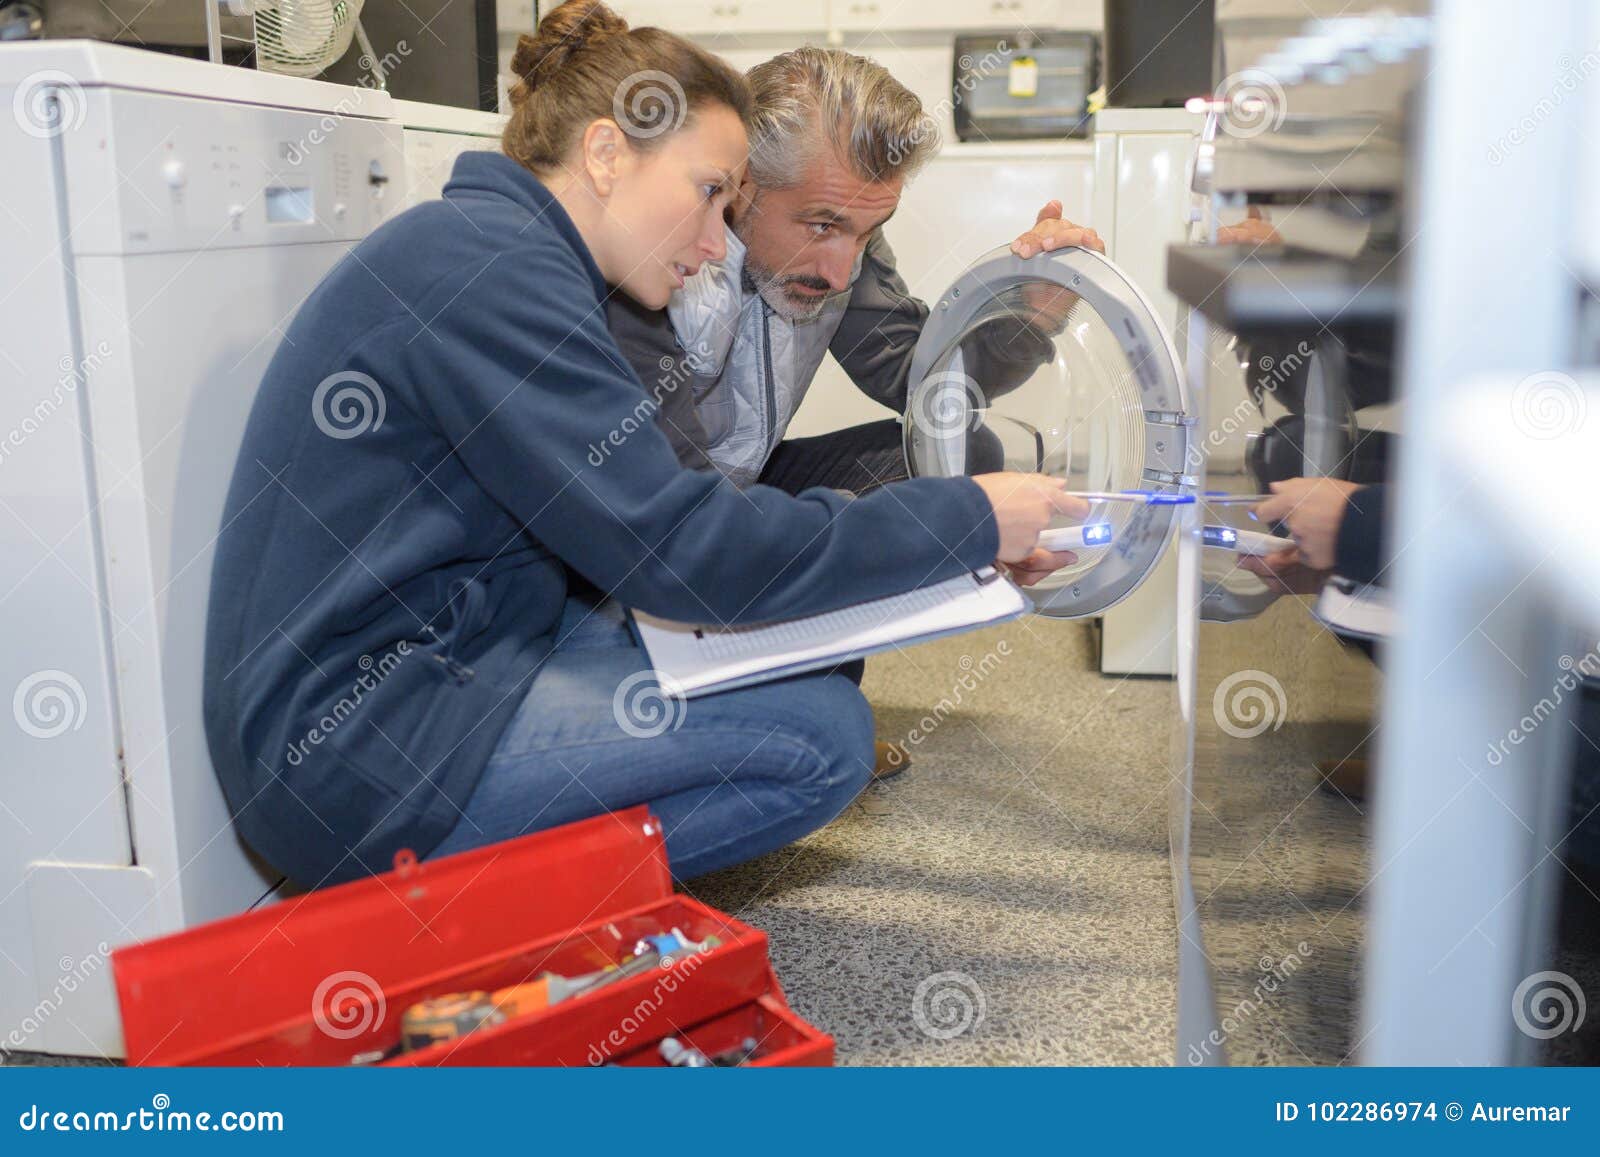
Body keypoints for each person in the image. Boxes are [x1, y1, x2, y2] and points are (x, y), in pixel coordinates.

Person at [202, 0, 1086, 890]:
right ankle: (457, 911)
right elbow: (682, 550)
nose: (717, 240)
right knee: (820, 740)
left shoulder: (506, 250)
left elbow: (896, 395)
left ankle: (518, 878)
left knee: (795, 682)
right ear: (605, 153)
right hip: (360, 750)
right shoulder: (495, 275)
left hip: (473, 648)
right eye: (709, 193)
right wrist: (964, 521)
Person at [606, 45, 1105, 496]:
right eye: (822, 226)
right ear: (743, 181)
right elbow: (662, 507)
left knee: (958, 452)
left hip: (745, 483)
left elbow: (923, 381)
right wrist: (849, 538)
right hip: (655, 503)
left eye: (867, 232)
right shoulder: (658, 248)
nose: (842, 275)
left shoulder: (847, 246)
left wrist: (1030, 313)